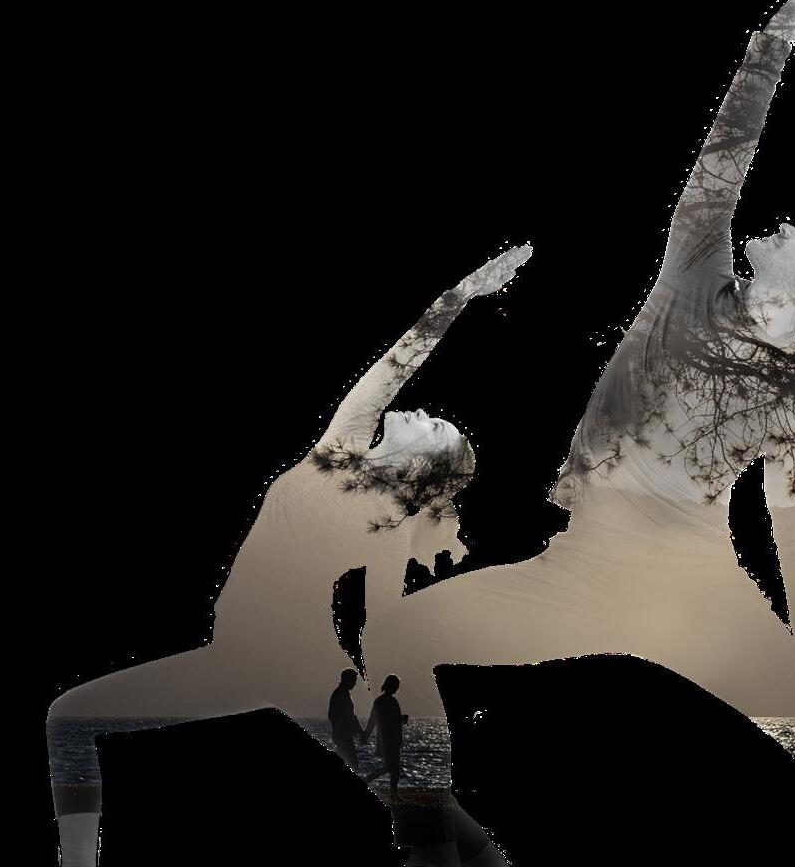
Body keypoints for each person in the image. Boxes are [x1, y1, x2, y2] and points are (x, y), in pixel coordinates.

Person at [358, 0, 795, 860]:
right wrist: (771, 45)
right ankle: (450, 849)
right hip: (577, 572)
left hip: (697, 594)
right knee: (395, 639)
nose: (781, 229)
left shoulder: (794, 399)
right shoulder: (695, 274)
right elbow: (722, 160)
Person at [45, 246, 529, 867]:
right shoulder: (362, 487)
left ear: (419, 466)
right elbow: (383, 624)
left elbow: (383, 625)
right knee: (411, 797)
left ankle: (76, 865)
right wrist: (459, 297)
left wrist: (459, 297)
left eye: (436, 427)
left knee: (70, 719)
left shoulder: (349, 467)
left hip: (291, 665)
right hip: (269, 664)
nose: (425, 412)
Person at [361, 674, 410, 803]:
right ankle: (392, 794)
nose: (397, 688)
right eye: (396, 686)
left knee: (391, 767)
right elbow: (386, 720)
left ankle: (392, 793)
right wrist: (402, 718)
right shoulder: (390, 702)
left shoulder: (379, 701)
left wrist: (366, 735)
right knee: (393, 768)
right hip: (390, 739)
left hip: (388, 739)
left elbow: (373, 721)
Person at [328, 670, 367, 770]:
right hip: (343, 736)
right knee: (352, 762)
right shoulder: (341, 694)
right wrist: (358, 731)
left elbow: (350, 716)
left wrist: (358, 730)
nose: (355, 684)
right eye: (353, 680)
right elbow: (348, 716)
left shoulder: (342, 693)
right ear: (347, 680)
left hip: (343, 735)